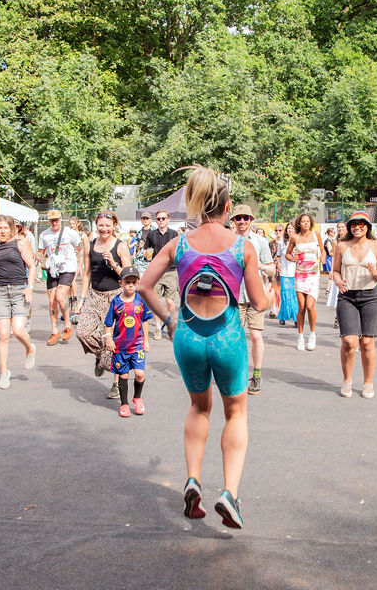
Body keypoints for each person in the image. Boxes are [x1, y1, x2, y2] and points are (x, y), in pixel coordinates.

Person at [138, 166, 268, 529]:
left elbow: (145, 286)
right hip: (227, 337)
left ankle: (193, 478)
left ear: (199, 206)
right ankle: (230, 493)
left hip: (188, 336)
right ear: (227, 208)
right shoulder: (242, 246)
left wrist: (169, 319)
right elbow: (259, 303)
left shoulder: (178, 244)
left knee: (198, 407)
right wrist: (270, 292)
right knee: (236, 413)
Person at [76, 212, 133, 397]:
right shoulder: (90, 244)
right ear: (96, 225)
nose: (104, 229)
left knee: (115, 340)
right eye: (101, 225)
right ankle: (101, 356)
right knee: (83, 332)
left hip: (115, 297)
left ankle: (115, 384)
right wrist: (81, 299)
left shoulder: (120, 246)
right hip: (94, 295)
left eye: (108, 225)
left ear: (114, 225)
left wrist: (114, 263)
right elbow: (87, 274)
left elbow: (129, 276)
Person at [331, 211, 377, 399]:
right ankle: (347, 379)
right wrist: (337, 281)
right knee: (349, 341)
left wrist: (376, 273)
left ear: (367, 227)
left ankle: (368, 382)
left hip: (370, 296)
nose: (357, 227)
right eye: (354, 224)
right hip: (347, 296)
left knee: (367, 342)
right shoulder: (341, 246)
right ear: (349, 227)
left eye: (361, 224)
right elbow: (336, 271)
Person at [0, 215, 37, 389]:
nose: (2, 231)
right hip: (0, 291)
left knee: (18, 331)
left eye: (5, 228)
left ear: (11, 229)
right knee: (2, 334)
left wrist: (29, 287)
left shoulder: (20, 243)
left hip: (19, 290)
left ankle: (30, 348)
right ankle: (3, 372)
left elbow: (31, 265)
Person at [229, 205, 274, 395]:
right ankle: (238, 373)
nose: (242, 221)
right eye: (238, 218)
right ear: (233, 220)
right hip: (234, 294)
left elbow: (272, 269)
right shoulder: (228, 241)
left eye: (245, 218)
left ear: (251, 220)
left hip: (255, 293)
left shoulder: (260, 241)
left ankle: (256, 374)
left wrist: (260, 266)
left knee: (255, 335)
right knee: (235, 337)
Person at [103, 266, 152, 417]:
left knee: (140, 374)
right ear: (121, 283)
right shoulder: (116, 302)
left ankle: (137, 398)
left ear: (138, 283)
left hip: (137, 345)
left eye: (133, 282)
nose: (130, 285)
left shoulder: (141, 301)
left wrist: (146, 341)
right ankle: (124, 404)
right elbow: (108, 323)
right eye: (127, 282)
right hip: (121, 347)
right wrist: (109, 338)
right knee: (123, 375)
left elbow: (144, 321)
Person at [38, 210, 83, 347]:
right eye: (52, 220)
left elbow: (81, 249)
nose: (54, 223)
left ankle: (68, 324)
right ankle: (54, 331)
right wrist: (38, 258)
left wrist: (80, 266)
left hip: (68, 268)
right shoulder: (44, 235)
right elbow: (41, 251)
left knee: (59, 296)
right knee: (52, 300)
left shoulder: (70, 233)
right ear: (48, 221)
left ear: (61, 219)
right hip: (53, 269)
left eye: (56, 220)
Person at [288, 213, 325, 351]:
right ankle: (300, 337)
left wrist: (323, 258)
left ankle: (312, 335)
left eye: (307, 221)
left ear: (311, 223)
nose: (305, 223)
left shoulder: (316, 235)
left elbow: (323, 251)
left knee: (310, 306)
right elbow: (287, 253)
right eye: (303, 221)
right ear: (299, 223)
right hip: (300, 275)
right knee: (302, 307)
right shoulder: (295, 237)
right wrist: (292, 258)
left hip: (313, 275)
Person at [140, 210, 179, 338]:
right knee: (155, 301)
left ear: (168, 219)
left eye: (163, 218)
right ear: (156, 221)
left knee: (170, 301)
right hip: (156, 271)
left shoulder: (174, 234)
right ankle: (157, 328)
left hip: (171, 271)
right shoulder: (151, 234)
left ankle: (170, 325)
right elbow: (145, 252)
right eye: (158, 219)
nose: (161, 221)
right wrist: (147, 253)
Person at [276, 222, 298, 326]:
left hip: (297, 273)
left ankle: (296, 318)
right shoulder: (282, 243)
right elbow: (277, 256)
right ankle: (283, 316)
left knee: (294, 296)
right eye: (288, 228)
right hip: (284, 273)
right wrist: (278, 264)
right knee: (285, 295)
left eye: (292, 228)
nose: (290, 230)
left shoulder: (299, 241)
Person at [68, 216, 90, 309]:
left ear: (77, 224)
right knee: (68, 281)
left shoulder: (82, 235)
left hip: (78, 260)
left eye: (73, 223)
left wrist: (81, 265)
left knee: (72, 279)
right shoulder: (67, 234)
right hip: (68, 259)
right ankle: (70, 300)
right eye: (70, 224)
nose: (72, 225)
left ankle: (76, 299)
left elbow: (85, 250)